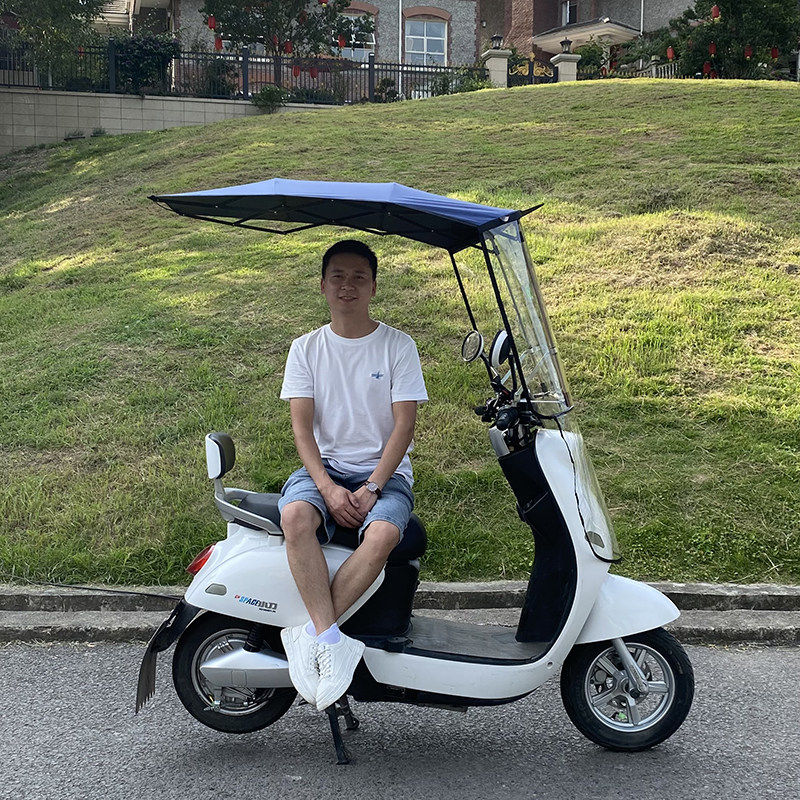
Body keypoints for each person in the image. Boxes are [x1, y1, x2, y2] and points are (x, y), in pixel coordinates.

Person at [278, 239, 428, 713]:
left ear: (374, 287)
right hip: (324, 470)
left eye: (359, 277)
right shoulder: (306, 348)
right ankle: (330, 640)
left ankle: (311, 636)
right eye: (338, 277)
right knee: (295, 518)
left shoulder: (398, 346)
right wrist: (326, 487)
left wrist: (372, 486)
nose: (348, 286)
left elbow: (404, 426)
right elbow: (302, 429)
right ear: (323, 286)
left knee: (383, 533)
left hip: (384, 474)